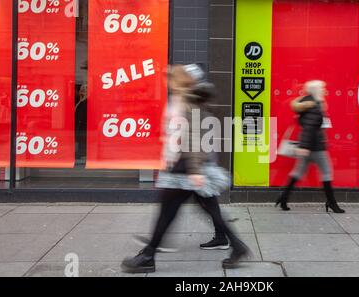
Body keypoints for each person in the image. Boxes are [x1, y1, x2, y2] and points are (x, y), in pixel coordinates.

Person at [121, 64, 249, 274]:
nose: (167, 82)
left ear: (179, 81)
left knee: (168, 211)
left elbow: (195, 138)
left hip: (186, 168)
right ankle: (237, 246)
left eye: (170, 79)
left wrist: (195, 170)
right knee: (200, 209)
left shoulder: (191, 102)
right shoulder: (180, 100)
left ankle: (148, 255)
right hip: (182, 166)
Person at [276, 80, 345, 213]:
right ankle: (331, 203)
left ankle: (283, 198)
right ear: (315, 90)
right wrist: (305, 147)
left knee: (297, 173)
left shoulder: (313, 103)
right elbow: (309, 128)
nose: (324, 90)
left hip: (308, 147)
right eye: (321, 88)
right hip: (315, 147)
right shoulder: (314, 105)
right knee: (326, 173)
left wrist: (304, 147)